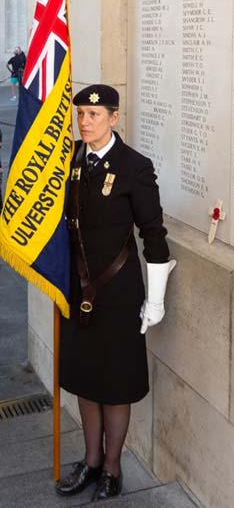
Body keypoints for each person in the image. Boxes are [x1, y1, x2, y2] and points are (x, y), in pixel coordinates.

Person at [56, 84, 176, 501]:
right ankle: (90, 461)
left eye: (94, 116)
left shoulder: (134, 167)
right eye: (81, 116)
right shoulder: (69, 160)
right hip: (76, 291)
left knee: (116, 383)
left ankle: (112, 467)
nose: (84, 123)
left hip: (119, 293)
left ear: (114, 117)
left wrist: (156, 299)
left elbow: (154, 235)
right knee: (86, 381)